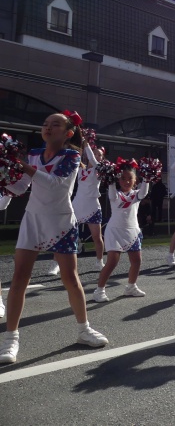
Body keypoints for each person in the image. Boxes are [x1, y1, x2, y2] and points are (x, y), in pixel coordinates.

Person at [0, 111, 108, 364]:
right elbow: (20, 187)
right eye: (45, 123)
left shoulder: (72, 155)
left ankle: (83, 330)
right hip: (33, 220)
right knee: (19, 279)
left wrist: (23, 167)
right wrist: (4, 179)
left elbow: (57, 185)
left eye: (55, 124)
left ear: (68, 133)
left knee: (71, 278)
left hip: (61, 223)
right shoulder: (33, 154)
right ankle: (10, 339)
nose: (48, 127)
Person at [93, 159, 148, 302]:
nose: (127, 181)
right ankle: (99, 290)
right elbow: (111, 194)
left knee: (136, 261)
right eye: (123, 178)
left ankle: (131, 287)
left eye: (130, 178)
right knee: (112, 262)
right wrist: (110, 179)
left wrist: (148, 177)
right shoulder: (115, 194)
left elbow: (144, 192)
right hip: (115, 231)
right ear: (117, 179)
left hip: (133, 231)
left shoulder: (137, 195)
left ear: (135, 180)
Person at [71, 140, 106, 271]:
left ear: (102, 158)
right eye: (95, 153)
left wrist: (86, 144)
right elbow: (77, 155)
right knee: (66, 235)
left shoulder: (99, 169)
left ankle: (99, 261)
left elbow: (91, 158)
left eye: (99, 155)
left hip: (92, 206)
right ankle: (56, 263)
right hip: (77, 204)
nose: (96, 156)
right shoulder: (81, 167)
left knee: (97, 236)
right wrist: (80, 142)